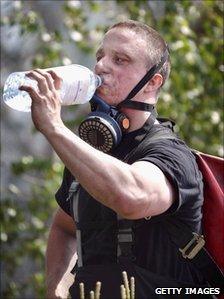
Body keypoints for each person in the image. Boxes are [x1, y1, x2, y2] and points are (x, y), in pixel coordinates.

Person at [20, 20, 208, 299]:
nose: (101, 67)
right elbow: (64, 226)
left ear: (153, 82)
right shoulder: (90, 155)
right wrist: (56, 287)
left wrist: (54, 127)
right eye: (100, 57)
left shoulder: (171, 153)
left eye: (120, 60)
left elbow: (132, 197)